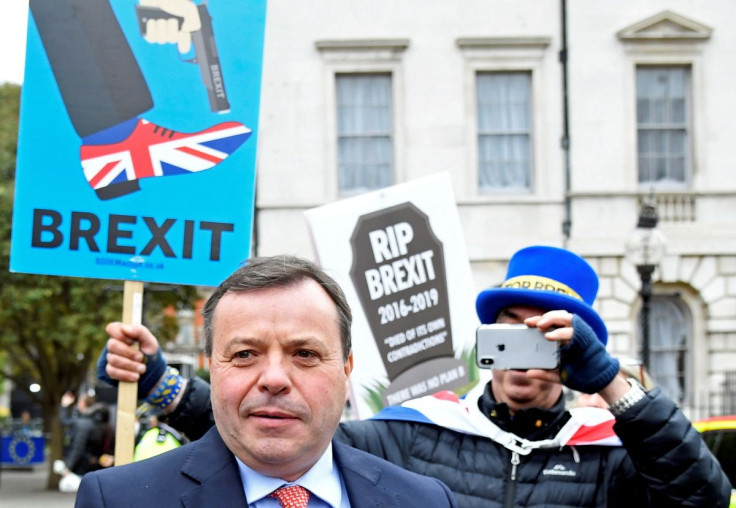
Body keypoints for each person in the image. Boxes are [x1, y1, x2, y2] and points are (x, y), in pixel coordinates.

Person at [99, 246, 733, 507]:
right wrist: (160, 380)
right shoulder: (421, 430)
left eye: (549, 334)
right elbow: (287, 430)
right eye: (510, 328)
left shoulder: (608, 454)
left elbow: (702, 496)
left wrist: (612, 383)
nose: (525, 350)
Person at [78, 255, 458, 507]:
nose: (274, 379)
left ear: (346, 370)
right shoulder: (117, 499)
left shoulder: (426, 500)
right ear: (212, 366)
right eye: (245, 354)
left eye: (305, 354)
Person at [54, 393, 115, 492]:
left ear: (83, 404)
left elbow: (78, 446)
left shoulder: (83, 423)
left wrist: (68, 467)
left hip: (84, 468)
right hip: (101, 466)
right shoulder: (105, 423)